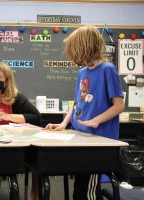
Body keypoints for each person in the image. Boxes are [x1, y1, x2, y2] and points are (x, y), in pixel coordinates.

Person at [44, 25, 125, 200]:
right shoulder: (82, 72)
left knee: (87, 192)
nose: (72, 54)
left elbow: (119, 106)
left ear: (85, 47)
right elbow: (77, 104)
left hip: (98, 143)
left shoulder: (107, 69)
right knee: (79, 187)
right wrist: (64, 123)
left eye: (74, 49)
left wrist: (96, 120)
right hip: (80, 137)